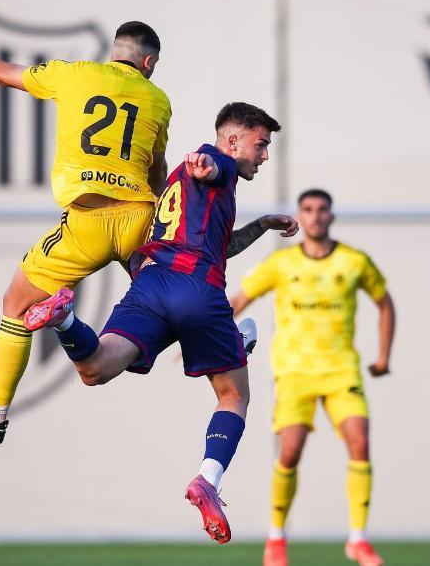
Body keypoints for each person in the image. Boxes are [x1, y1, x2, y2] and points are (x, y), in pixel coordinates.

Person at [28, 102, 296, 544]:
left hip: (153, 282)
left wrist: (263, 225)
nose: (265, 155)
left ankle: (63, 318)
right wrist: (207, 164)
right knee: (233, 396)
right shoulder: (219, 164)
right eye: (261, 144)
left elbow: (220, 245)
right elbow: (210, 167)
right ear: (233, 141)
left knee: (95, 368)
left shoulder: (183, 185)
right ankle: (207, 479)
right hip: (196, 289)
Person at [0, 7, 172, 444]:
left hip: (87, 223)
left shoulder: (73, 74)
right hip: (138, 217)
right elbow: (157, 170)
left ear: (114, 53)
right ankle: (227, 336)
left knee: (16, 303)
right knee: (174, 292)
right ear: (148, 62)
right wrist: (161, 228)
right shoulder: (159, 100)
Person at [230, 189, 396, 566]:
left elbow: (385, 303)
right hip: (294, 372)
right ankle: (276, 537)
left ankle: (358, 539)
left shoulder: (354, 261)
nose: (316, 216)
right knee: (289, 452)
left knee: (360, 443)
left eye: (322, 210)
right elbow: (239, 300)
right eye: (308, 209)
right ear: (300, 216)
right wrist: (201, 333)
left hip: (341, 370)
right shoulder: (282, 263)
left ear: (331, 216)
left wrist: (383, 356)